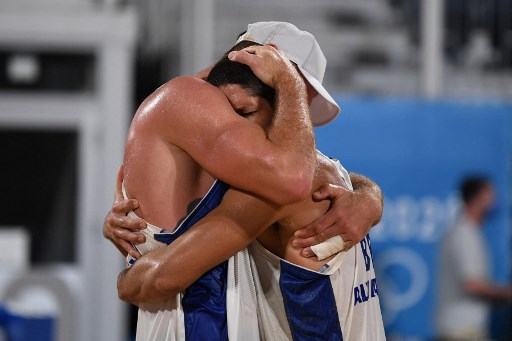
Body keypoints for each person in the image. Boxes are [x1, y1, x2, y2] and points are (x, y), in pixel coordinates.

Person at [104, 22, 384, 340]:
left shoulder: (280, 187)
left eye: (244, 112)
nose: (237, 129)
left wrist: (126, 279)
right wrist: (371, 195)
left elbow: (162, 278)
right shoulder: (328, 177)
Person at [437, 176, 512, 340]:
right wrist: (507, 293)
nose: (494, 199)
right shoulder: (464, 234)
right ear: (476, 198)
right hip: (463, 330)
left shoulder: (469, 232)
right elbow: (472, 285)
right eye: (489, 193)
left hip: (465, 328)